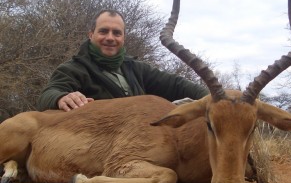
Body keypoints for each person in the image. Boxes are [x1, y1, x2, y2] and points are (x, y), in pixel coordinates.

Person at [37, 9, 209, 112]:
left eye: (117, 33)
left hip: (139, 138)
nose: (110, 38)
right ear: (91, 35)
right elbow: (47, 95)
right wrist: (60, 97)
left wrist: (218, 98)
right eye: (104, 31)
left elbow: (176, 85)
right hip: (97, 142)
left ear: (123, 38)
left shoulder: (135, 68)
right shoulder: (73, 69)